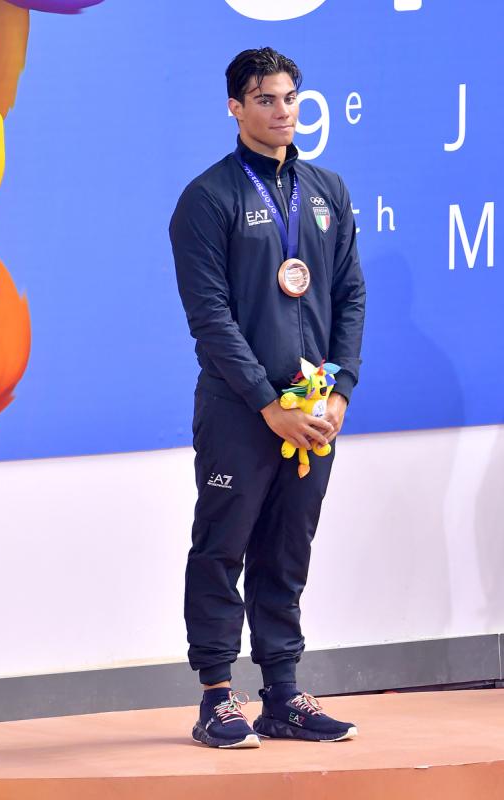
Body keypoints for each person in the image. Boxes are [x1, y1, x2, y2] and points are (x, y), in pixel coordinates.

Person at [169, 47, 366, 749]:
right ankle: (217, 699)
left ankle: (282, 694)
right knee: (223, 549)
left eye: (288, 98)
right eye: (264, 100)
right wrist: (265, 401)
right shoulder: (208, 198)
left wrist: (338, 390)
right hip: (238, 410)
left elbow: (348, 295)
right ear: (235, 108)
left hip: (312, 412)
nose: (281, 111)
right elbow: (211, 318)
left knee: (287, 549)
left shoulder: (326, 191)